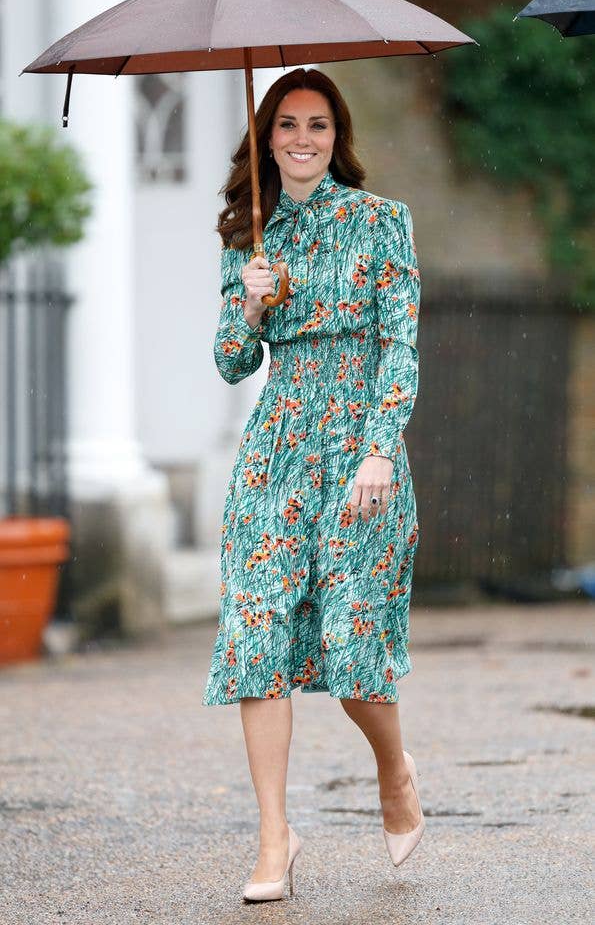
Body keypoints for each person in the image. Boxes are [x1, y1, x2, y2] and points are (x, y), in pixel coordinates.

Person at [202, 67, 424, 902]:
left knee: (351, 651)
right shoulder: (246, 236)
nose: (302, 139)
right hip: (274, 452)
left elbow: (399, 346)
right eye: (288, 124)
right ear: (267, 136)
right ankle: (273, 839)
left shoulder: (380, 223)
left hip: (359, 451)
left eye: (318, 125)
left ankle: (394, 772)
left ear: (338, 137)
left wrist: (378, 448)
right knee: (257, 637)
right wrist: (250, 308)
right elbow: (230, 365)